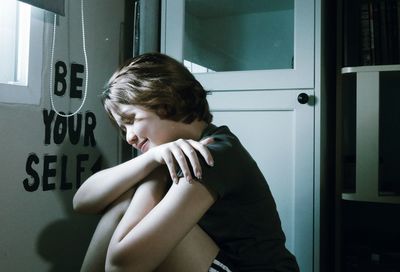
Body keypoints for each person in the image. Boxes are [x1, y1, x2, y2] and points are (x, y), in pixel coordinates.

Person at [73, 52, 299, 272]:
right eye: (123, 129)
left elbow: (122, 266)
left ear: (163, 101)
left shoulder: (212, 154)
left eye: (132, 120)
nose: (129, 137)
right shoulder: (170, 151)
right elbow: (81, 202)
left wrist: (155, 173)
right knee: (123, 202)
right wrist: (152, 158)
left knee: (132, 204)